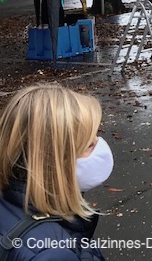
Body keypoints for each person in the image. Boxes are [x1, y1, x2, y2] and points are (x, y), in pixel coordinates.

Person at [0, 84, 112, 261]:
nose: (100, 145)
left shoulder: (9, 203)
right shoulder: (53, 253)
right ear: (56, 160)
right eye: (89, 144)